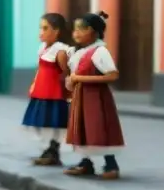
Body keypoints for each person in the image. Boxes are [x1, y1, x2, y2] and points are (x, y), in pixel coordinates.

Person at [64, 11, 125, 180]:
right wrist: (71, 81)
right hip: (81, 96)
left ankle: (111, 163)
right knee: (83, 129)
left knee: (98, 128)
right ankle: (86, 162)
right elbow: (75, 73)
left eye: (82, 29)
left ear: (94, 32)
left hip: (96, 98)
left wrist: (80, 78)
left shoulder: (100, 52)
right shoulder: (79, 52)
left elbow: (112, 75)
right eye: (75, 29)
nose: (76, 33)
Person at [22, 13, 72, 166]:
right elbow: (40, 69)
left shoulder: (61, 51)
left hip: (54, 94)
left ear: (56, 31)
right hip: (42, 92)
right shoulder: (43, 48)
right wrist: (34, 84)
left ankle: (53, 151)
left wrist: (69, 93)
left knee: (54, 123)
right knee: (42, 122)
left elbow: (66, 73)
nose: (41, 32)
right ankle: (47, 150)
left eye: (45, 28)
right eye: (40, 28)